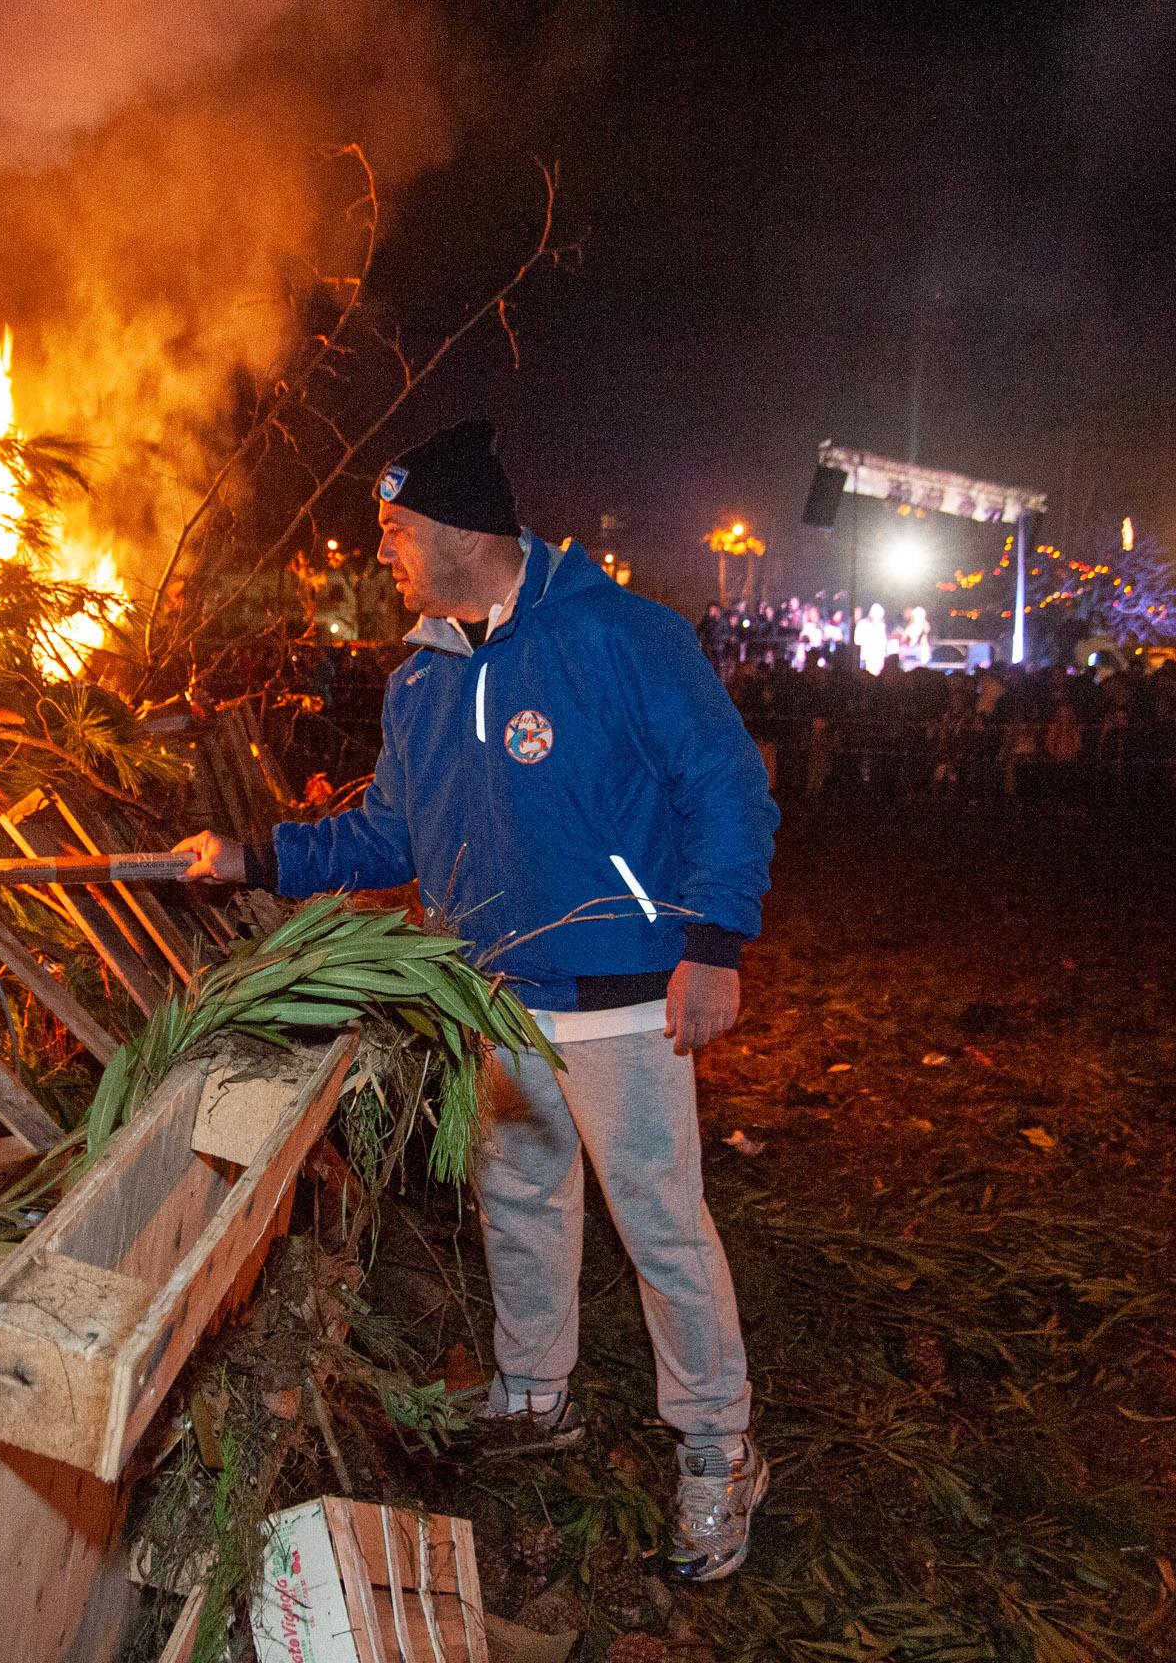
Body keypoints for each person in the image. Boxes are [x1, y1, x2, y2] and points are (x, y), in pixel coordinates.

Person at [174, 418, 781, 1582]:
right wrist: (251, 857)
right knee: (519, 1198)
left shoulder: (621, 637)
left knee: (662, 1229)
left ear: (458, 531)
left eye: (395, 529)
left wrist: (715, 944)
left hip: (623, 998)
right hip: (490, 997)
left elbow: (726, 785)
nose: (382, 551)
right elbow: (388, 831)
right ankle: (533, 1387)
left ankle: (716, 1449)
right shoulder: (421, 680)